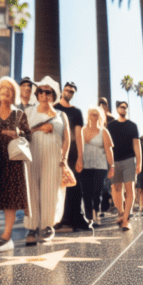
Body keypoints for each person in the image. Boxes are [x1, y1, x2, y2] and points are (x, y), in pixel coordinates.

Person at [0, 76, 31, 252]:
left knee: (10, 199)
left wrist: (19, 135)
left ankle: (6, 236)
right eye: (2, 88)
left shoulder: (19, 114)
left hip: (12, 162)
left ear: (14, 93)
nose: (5, 92)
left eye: (8, 89)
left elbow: (29, 136)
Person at [23, 77, 71, 244]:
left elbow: (67, 139)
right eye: (40, 91)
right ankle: (31, 227)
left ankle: (47, 226)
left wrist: (64, 158)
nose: (43, 94)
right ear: (37, 94)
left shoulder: (61, 115)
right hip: (32, 152)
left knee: (51, 189)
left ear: (53, 95)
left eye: (47, 92)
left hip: (53, 155)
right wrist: (38, 129)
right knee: (32, 190)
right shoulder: (29, 112)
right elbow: (21, 132)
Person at [56, 81, 90, 232]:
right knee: (56, 187)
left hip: (73, 154)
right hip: (55, 151)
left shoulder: (77, 112)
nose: (69, 92)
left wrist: (80, 157)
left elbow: (79, 135)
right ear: (62, 91)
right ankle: (56, 220)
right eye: (67, 90)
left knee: (74, 187)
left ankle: (76, 219)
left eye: (72, 91)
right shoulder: (54, 108)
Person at [106, 101, 142, 231]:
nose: (124, 109)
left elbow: (136, 145)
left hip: (128, 160)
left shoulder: (132, 126)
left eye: (126, 107)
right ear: (117, 109)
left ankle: (126, 219)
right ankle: (121, 213)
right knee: (116, 188)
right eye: (122, 107)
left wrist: (139, 162)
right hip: (115, 162)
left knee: (129, 189)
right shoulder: (111, 126)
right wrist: (109, 163)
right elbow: (107, 145)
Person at [77, 106, 115, 226]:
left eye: (96, 114)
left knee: (97, 191)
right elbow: (78, 148)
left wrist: (112, 166)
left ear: (100, 117)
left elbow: (109, 150)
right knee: (86, 192)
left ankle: (96, 214)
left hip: (100, 166)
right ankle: (89, 217)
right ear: (88, 116)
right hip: (85, 165)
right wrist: (79, 162)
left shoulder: (104, 131)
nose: (94, 116)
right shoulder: (82, 130)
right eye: (91, 114)